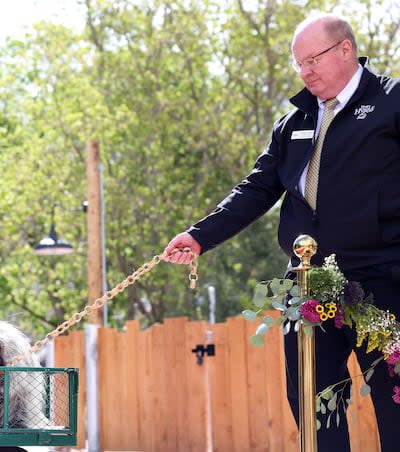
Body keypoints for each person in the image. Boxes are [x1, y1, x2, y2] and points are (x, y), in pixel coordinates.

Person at [164, 13, 400, 451]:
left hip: (381, 282)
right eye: (299, 63)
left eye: (313, 59)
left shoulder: (392, 103)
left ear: (345, 50)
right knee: (313, 405)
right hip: (308, 288)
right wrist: (199, 236)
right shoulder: (293, 123)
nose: (305, 71)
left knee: (395, 400)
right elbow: (256, 189)